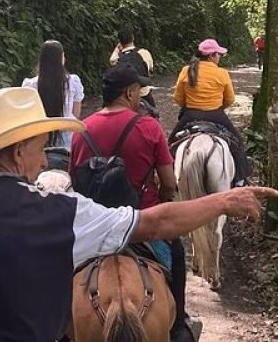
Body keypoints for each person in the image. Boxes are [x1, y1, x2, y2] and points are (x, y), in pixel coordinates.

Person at [0, 86, 277, 341]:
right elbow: (156, 222)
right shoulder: (60, 212)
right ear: (18, 151)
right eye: (40, 148)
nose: (44, 160)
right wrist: (224, 201)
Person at [69, 65, 193, 341]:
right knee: (177, 251)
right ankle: (178, 327)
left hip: (94, 227)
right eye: (138, 90)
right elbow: (169, 182)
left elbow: (74, 182)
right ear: (129, 93)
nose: (140, 95)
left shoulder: (81, 131)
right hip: (142, 224)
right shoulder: (148, 126)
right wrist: (164, 201)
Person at [171, 38, 251, 186]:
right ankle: (240, 180)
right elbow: (230, 99)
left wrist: (190, 105)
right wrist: (217, 106)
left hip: (190, 115)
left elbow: (178, 98)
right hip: (216, 115)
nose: (219, 57)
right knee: (238, 142)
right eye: (218, 54)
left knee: (170, 143)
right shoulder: (222, 73)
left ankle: (167, 179)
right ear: (211, 56)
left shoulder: (186, 70)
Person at [22, 39, 84, 149]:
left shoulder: (30, 85)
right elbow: (76, 114)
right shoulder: (72, 82)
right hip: (68, 139)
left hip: (41, 139)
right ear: (61, 58)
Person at [109, 27, 158, 117]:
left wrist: (117, 48)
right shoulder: (144, 53)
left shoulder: (117, 58)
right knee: (154, 116)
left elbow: (112, 60)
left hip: (127, 97)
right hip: (143, 93)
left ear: (120, 42)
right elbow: (150, 69)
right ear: (133, 38)